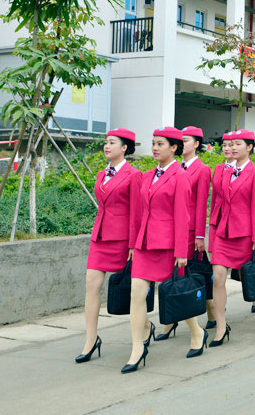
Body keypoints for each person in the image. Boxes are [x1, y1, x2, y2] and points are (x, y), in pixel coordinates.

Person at [124, 127, 205, 374]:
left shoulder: (181, 176)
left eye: (160, 144)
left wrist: (182, 251)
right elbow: (137, 214)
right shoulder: (146, 176)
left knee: (176, 294)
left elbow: (184, 216)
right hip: (145, 244)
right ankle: (137, 348)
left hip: (169, 246)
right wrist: (133, 244)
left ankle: (196, 330)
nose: (155, 148)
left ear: (174, 148)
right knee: (137, 294)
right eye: (153, 143)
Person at [76, 129, 141, 364]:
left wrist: (134, 244)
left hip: (122, 239)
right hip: (100, 237)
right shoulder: (102, 174)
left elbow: (137, 211)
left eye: (112, 143)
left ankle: (144, 326)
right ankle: (91, 340)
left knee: (131, 290)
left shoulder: (134, 175)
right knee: (91, 285)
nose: (107, 146)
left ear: (124, 148)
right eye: (106, 142)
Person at [210, 129, 255, 345]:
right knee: (218, 277)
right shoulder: (224, 171)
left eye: (238, 144)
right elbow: (217, 204)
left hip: (244, 234)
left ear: (250, 147)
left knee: (250, 277)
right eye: (231, 144)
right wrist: (212, 233)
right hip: (222, 233)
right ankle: (220, 326)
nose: (233, 148)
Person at [156, 126, 212, 339]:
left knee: (185, 275)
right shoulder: (170, 167)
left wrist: (199, 235)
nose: (183, 143)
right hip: (169, 228)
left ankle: (182, 321)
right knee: (172, 275)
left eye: (186, 140)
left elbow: (200, 204)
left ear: (196, 144)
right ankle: (173, 318)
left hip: (188, 230)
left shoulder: (202, 169)